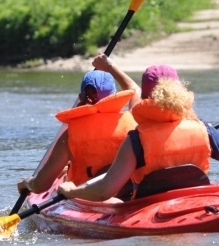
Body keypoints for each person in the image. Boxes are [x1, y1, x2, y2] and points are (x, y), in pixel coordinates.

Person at [57, 64, 219, 202]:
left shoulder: (136, 140)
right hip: (196, 202)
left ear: (145, 98)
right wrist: (208, 135)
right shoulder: (202, 128)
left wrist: (72, 191)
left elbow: (106, 190)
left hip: (149, 206)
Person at [17, 53, 139, 195]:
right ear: (116, 95)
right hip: (128, 196)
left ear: (80, 97)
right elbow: (135, 89)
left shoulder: (71, 134)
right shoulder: (133, 120)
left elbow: (41, 185)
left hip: (85, 198)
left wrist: (27, 182)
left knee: (64, 170)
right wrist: (110, 66)